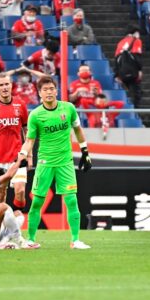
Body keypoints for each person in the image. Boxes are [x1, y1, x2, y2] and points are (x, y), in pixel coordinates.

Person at [17, 76, 93, 249]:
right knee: (37, 202)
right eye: (45, 90)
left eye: (51, 88)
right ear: (39, 93)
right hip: (45, 163)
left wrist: (85, 151)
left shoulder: (69, 108)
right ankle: (30, 239)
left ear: (56, 90)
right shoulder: (35, 115)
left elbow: (78, 130)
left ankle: (75, 240)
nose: (49, 92)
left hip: (65, 162)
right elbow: (29, 141)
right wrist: (22, 154)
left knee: (72, 200)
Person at [0, 73, 29, 211]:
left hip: (17, 158)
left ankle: (16, 216)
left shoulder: (21, 105)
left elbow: (27, 132)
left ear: (11, 85)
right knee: (0, 196)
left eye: (6, 84)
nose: (4, 87)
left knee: (20, 192)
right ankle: (2, 227)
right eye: (1, 85)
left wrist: (28, 154)